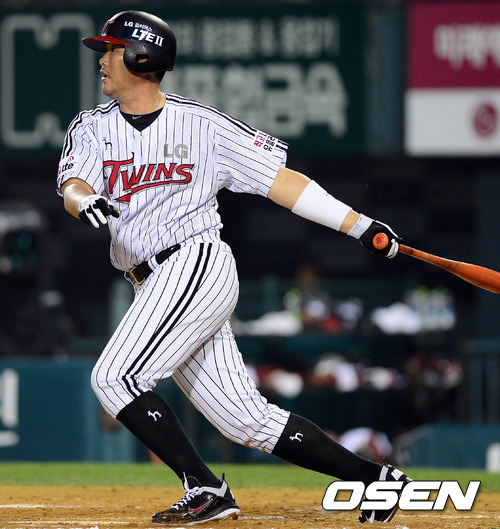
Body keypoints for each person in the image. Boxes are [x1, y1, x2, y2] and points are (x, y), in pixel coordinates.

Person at [57, 10, 410, 526]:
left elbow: (282, 182)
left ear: (141, 56)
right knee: (246, 421)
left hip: (194, 262)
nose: (103, 59)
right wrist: (83, 200)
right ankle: (377, 480)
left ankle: (203, 486)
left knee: (114, 378)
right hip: (149, 282)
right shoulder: (92, 126)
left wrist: (358, 226)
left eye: (111, 49)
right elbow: (73, 185)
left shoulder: (203, 125)